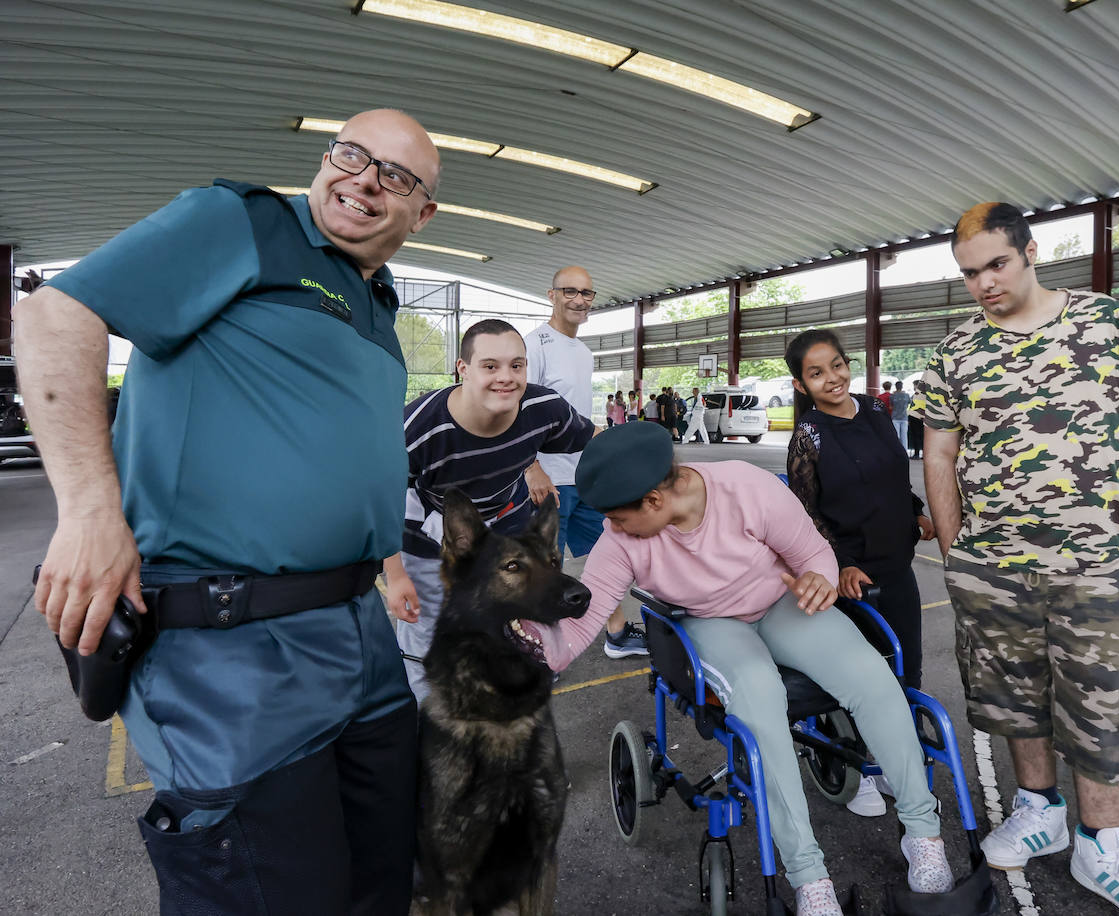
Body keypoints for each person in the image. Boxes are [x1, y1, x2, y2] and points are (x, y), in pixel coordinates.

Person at [15, 109, 440, 913]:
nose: (364, 180)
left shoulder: (379, 304)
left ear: (422, 214)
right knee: (270, 889)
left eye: (397, 176)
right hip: (231, 649)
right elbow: (54, 314)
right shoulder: (244, 223)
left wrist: (386, 565)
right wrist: (89, 512)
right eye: (353, 155)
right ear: (326, 158)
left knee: (383, 882)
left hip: (363, 641)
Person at [522, 422, 956, 915]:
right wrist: (533, 647)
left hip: (779, 602)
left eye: (618, 519)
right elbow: (581, 625)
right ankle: (809, 876)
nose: (611, 529)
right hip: (710, 623)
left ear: (654, 502)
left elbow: (812, 552)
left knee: (872, 676)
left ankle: (923, 834)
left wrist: (820, 577)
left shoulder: (745, 487)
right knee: (758, 695)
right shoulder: (621, 541)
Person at [917, 202, 1119, 916]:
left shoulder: (1109, 323)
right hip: (994, 566)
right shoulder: (956, 354)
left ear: (1031, 251)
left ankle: (1105, 846)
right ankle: (1039, 812)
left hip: (1100, 561)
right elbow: (939, 452)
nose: (983, 284)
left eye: (996, 265)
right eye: (969, 274)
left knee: (1105, 703)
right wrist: (957, 549)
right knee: (1014, 699)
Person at [383, 319, 593, 700]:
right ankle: (428, 726)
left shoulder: (543, 407)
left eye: (517, 365)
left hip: (505, 524)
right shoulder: (418, 429)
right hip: (432, 538)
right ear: (463, 369)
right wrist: (395, 577)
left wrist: (647, 458)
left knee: (514, 618)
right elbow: (379, 501)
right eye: (490, 365)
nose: (506, 377)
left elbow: (592, 439)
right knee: (429, 632)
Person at [785, 328, 937, 818]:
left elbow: (890, 472)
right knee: (855, 678)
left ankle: (898, 762)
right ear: (801, 384)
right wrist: (839, 564)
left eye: (837, 365)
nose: (832, 378)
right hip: (851, 576)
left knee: (906, 667)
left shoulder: (873, 411)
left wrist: (915, 509)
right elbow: (803, 513)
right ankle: (853, 761)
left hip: (897, 562)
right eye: (816, 373)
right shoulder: (808, 434)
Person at [524, 266, 648, 658]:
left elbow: (572, 417)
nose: (580, 300)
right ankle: (537, 648)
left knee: (606, 556)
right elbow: (518, 410)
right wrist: (531, 467)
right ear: (552, 295)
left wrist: (612, 444)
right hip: (548, 479)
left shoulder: (583, 351)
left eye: (587, 293)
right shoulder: (534, 345)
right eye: (570, 292)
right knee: (544, 569)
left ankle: (615, 634)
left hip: (583, 475)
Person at [890, 379, 913, 454]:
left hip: (895, 417)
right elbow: (910, 403)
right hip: (904, 417)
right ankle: (904, 452)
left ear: (895, 387)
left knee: (896, 436)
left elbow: (891, 406)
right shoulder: (906, 395)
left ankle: (896, 452)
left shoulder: (892, 396)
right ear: (902, 387)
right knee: (904, 437)